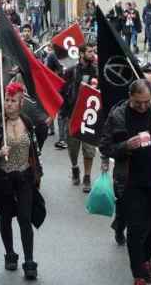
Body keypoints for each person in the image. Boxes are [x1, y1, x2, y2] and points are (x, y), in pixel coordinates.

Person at [99, 79, 151, 285]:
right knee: (136, 229)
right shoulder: (118, 115)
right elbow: (105, 146)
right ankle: (139, 275)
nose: (143, 106)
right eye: (138, 102)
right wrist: (126, 145)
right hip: (131, 181)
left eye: (146, 102)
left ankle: (144, 259)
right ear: (130, 97)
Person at [0, 82, 43, 280]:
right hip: (3, 177)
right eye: (6, 100)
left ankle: (29, 261)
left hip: (24, 177)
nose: (8, 103)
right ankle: (10, 254)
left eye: (13, 100)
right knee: (5, 217)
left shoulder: (28, 122)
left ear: (21, 102)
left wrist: (37, 172)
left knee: (25, 218)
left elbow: (35, 148)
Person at [62, 44, 99, 191]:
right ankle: (75, 167)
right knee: (73, 147)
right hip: (73, 114)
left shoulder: (96, 71)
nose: (92, 54)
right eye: (89, 52)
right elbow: (63, 92)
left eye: (93, 51)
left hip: (90, 115)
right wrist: (64, 114)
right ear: (81, 54)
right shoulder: (71, 71)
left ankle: (87, 177)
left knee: (89, 148)